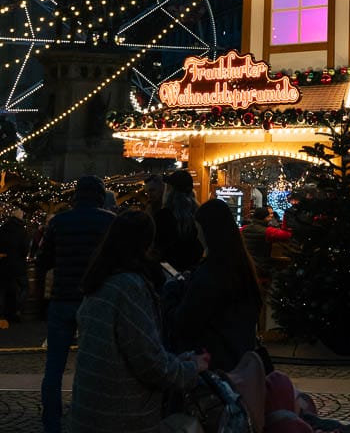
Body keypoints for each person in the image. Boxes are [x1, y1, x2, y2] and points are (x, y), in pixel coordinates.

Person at [70, 210, 209, 433]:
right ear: (146, 244)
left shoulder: (99, 282)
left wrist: (181, 361)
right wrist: (191, 369)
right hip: (122, 415)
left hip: (89, 410)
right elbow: (149, 361)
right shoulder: (129, 288)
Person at [35, 175, 116, 433]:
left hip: (61, 300)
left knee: (54, 366)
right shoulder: (109, 222)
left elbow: (43, 261)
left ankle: (51, 422)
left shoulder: (59, 222)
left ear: (76, 195)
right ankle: (88, 417)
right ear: (100, 195)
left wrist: (40, 297)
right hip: (95, 300)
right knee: (93, 362)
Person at [169, 197, 262, 371]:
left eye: (199, 230)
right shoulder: (241, 266)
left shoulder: (212, 273)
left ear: (207, 231)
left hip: (214, 362)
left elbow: (185, 321)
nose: (197, 236)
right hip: (239, 358)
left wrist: (173, 296)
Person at [153, 169, 203, 273]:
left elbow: (158, 250)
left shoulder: (163, 216)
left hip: (168, 273)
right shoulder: (200, 214)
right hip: (193, 273)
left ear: (170, 190)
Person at [0, 206, 29, 324]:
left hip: (4, 265)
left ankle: (4, 313)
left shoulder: (3, 228)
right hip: (18, 265)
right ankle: (15, 310)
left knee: (5, 290)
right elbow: (25, 249)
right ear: (20, 215)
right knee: (24, 287)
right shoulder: (22, 230)